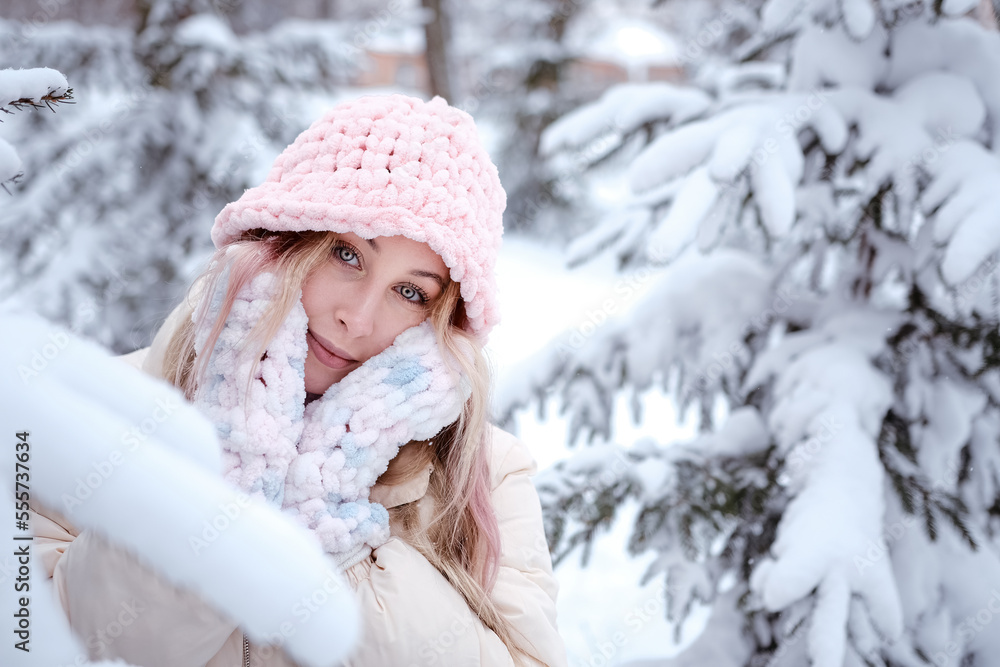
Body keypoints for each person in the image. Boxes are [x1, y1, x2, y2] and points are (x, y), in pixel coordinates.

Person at [29, 94, 568, 666]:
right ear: (280, 242)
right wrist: (226, 476)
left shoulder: (486, 472)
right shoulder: (88, 411)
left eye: (411, 292)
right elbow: (41, 638)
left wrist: (325, 510)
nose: (357, 318)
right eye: (346, 254)